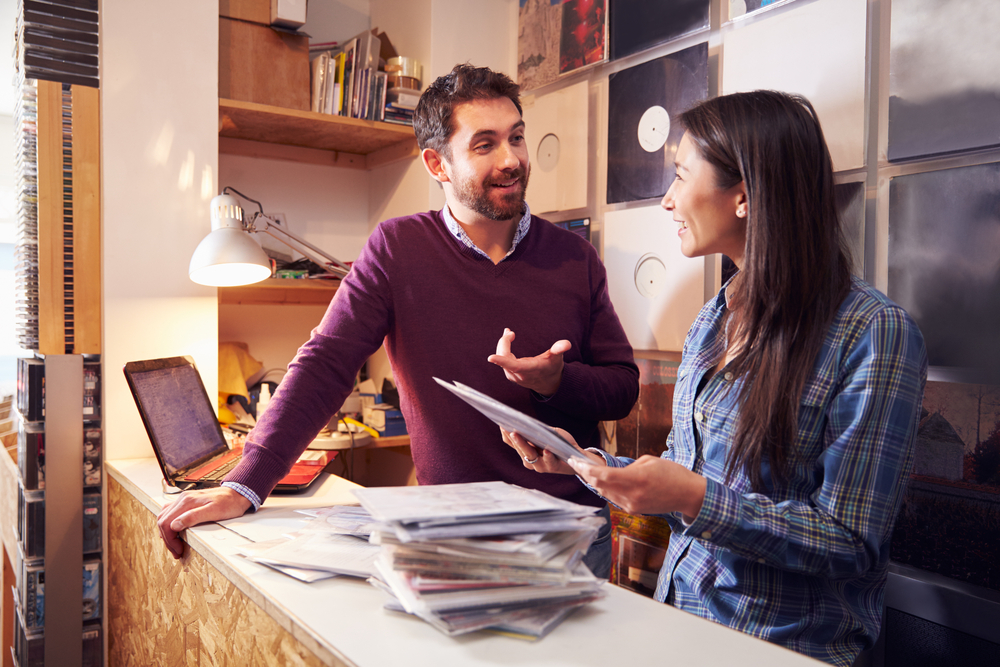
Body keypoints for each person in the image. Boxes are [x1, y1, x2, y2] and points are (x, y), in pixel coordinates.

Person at [156, 64, 639, 577]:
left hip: (570, 534)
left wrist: (557, 382)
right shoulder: (396, 248)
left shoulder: (574, 256)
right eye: (486, 145)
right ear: (437, 164)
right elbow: (325, 363)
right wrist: (247, 483)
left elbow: (621, 388)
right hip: (450, 536)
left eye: (516, 138)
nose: (512, 159)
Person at [503, 90, 927, 666]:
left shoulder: (875, 333)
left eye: (680, 176)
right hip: (677, 627)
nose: (668, 200)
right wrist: (590, 464)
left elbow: (850, 542)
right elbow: (686, 471)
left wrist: (695, 499)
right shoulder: (714, 318)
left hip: (782, 649)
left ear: (744, 197)